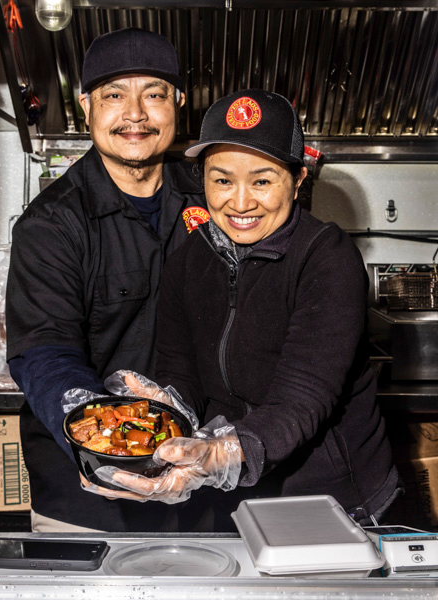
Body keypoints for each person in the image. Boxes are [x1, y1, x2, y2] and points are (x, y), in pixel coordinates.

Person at [84, 89, 402, 532]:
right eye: (221, 180)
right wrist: (169, 411)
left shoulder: (327, 258)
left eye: (262, 180)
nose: (239, 202)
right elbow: (182, 369)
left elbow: (302, 400)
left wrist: (223, 455)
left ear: (297, 180)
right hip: (235, 498)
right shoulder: (189, 259)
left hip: (334, 499)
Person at [5, 27, 206, 532]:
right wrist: (108, 434)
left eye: (154, 94)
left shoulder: (213, 201)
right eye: (115, 95)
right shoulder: (51, 224)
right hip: (88, 499)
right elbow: (45, 350)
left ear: (178, 103)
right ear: (86, 106)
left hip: (204, 487)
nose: (135, 114)